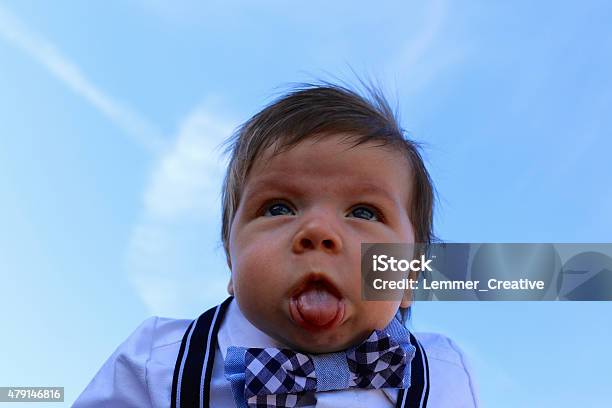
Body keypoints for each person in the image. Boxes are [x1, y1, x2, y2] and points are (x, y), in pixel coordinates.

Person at [73, 82, 479, 407]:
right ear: (233, 263)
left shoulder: (442, 373)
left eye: (364, 213)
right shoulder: (159, 360)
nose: (319, 231)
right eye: (278, 207)